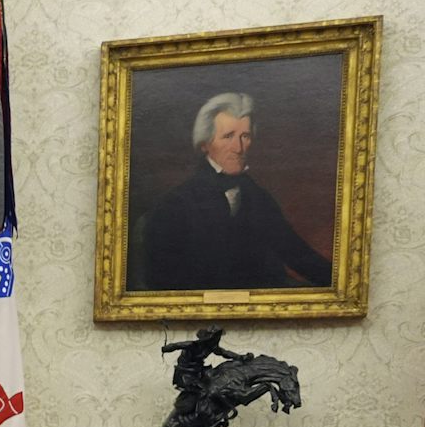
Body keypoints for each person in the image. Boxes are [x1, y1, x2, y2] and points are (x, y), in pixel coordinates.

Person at [141, 91, 332, 291]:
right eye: (228, 136)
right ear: (205, 143)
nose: (239, 148)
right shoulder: (174, 205)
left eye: (245, 136)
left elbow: (296, 253)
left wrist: (340, 284)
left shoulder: (259, 198)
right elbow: (161, 281)